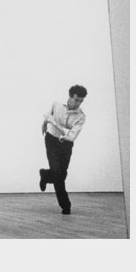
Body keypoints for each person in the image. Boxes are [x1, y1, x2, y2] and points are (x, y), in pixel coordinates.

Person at [39, 85, 87, 215]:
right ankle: (66, 206)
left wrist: (54, 123)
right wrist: (45, 123)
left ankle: (45, 175)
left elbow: (71, 136)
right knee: (57, 173)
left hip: (66, 145)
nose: (78, 103)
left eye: (81, 101)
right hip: (51, 141)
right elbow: (48, 115)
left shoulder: (81, 117)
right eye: (76, 99)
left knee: (62, 174)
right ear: (70, 97)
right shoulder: (57, 104)